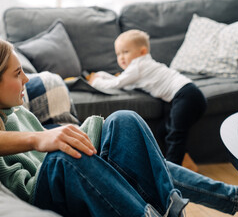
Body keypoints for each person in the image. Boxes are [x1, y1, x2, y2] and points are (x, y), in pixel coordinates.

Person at [0, 0, 238, 216]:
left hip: (41, 136)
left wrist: (50, 127)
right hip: (39, 159)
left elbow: (16, 100)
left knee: (124, 122)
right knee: (75, 155)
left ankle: (181, 205)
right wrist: (40, 138)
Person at [0, 36, 190, 216]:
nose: (26, 79)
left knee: (124, 120)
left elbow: (46, 146)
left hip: (60, 178)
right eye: (17, 74)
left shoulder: (19, 113)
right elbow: (21, 188)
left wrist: (92, 131)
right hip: (38, 196)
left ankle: (170, 207)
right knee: (63, 156)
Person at [88, 29, 207, 167]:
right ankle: (187, 163)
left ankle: (173, 173)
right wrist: (101, 75)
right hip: (186, 95)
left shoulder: (138, 66)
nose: (121, 57)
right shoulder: (141, 66)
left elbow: (117, 83)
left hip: (186, 96)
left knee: (175, 135)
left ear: (142, 52)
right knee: (164, 130)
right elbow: (123, 82)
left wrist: (95, 81)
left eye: (125, 52)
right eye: (118, 54)